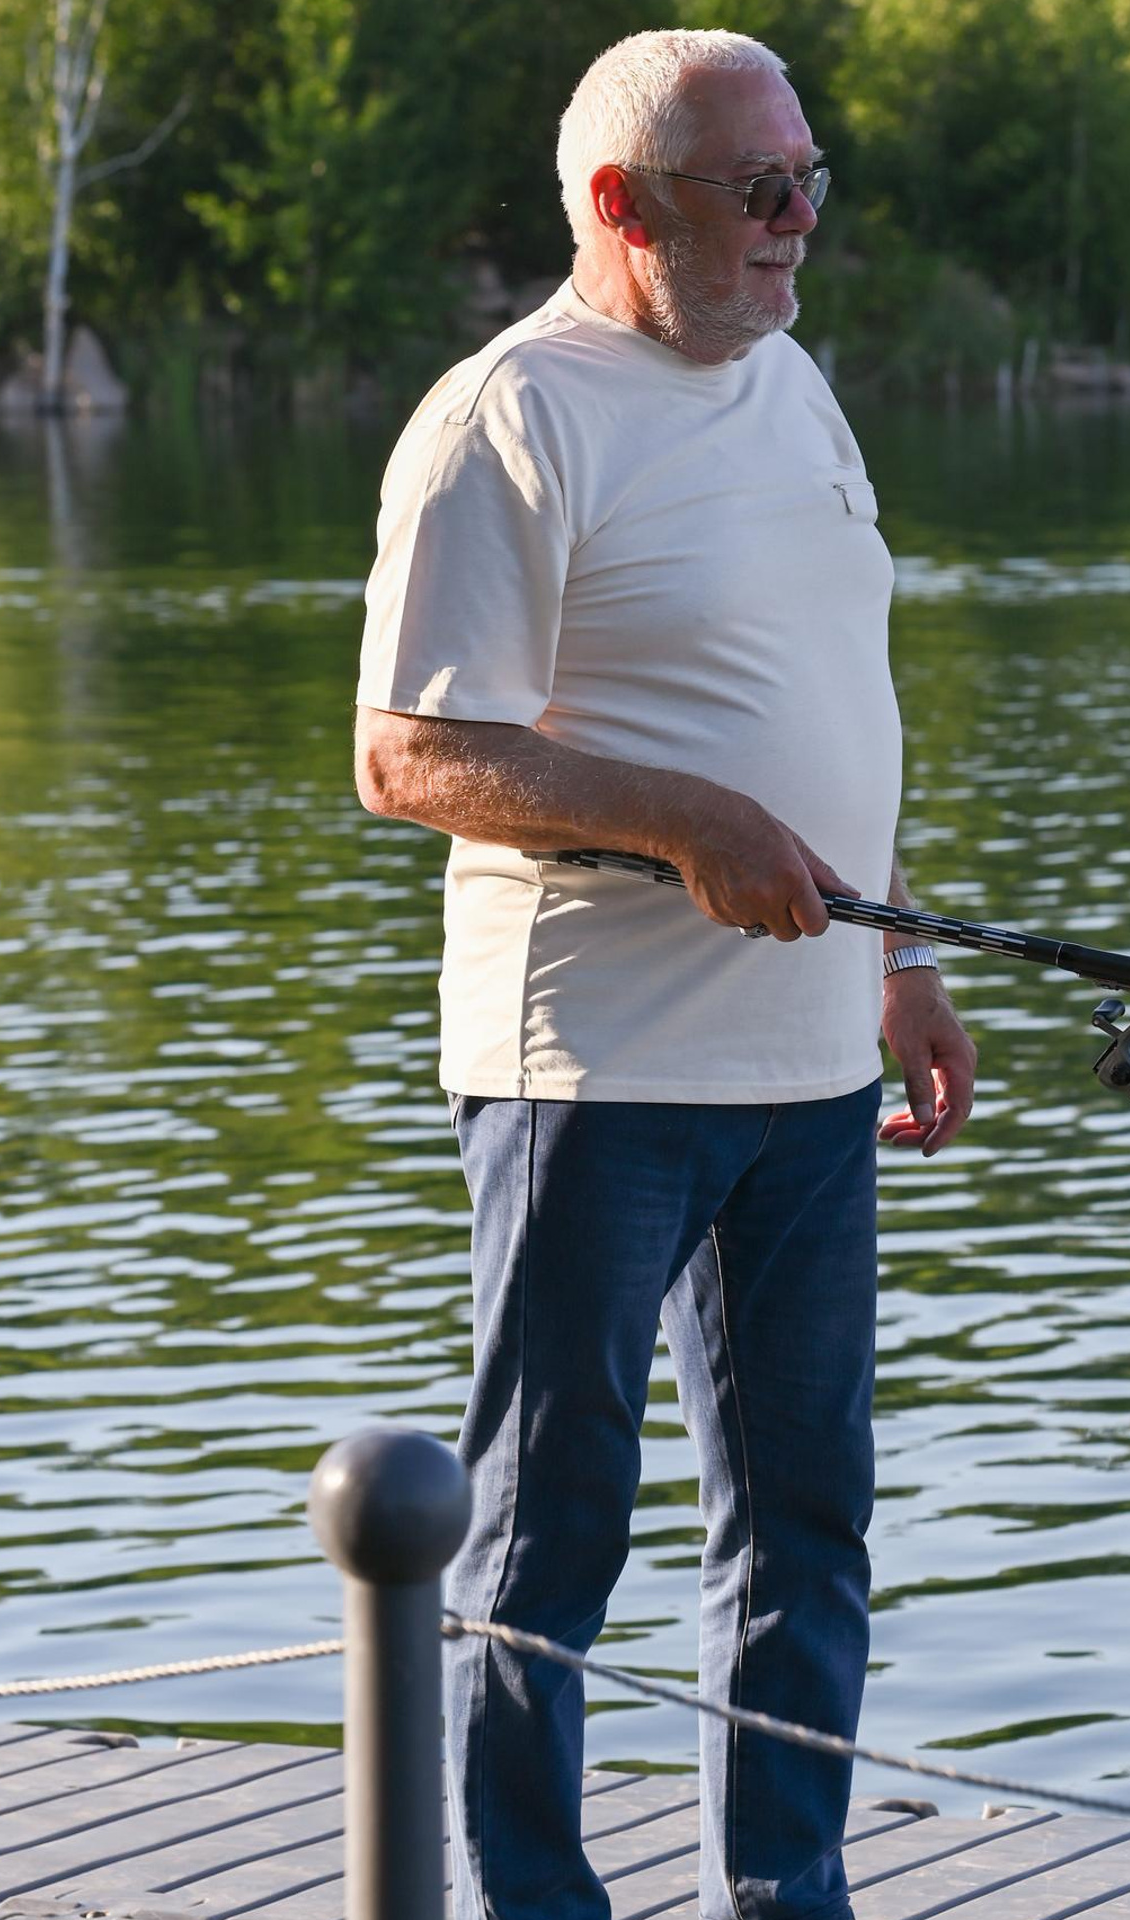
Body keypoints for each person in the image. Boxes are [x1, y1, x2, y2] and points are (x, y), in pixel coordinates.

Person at [352, 29, 976, 1920]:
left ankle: (784, 1896)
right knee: (547, 1538)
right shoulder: (507, 417)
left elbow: (824, 703)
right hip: (593, 1077)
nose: (800, 223)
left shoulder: (794, 381)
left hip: (812, 1075)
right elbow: (409, 754)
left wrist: (903, 959)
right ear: (623, 206)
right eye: (759, 189)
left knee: (807, 1529)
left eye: (810, 182)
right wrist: (682, 820)